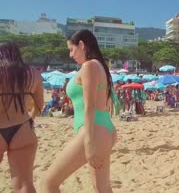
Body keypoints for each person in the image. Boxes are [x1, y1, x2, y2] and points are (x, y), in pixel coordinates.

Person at [41, 29, 117, 193]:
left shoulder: (89, 66)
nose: (70, 54)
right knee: (102, 189)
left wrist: (89, 143)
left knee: (48, 183)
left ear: (81, 45)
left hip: (94, 131)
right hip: (104, 128)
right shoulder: (100, 66)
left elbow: (89, 106)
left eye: (71, 49)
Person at [0, 42, 44, 193]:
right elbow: (39, 104)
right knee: (24, 186)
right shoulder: (33, 73)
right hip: (22, 128)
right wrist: (30, 119)